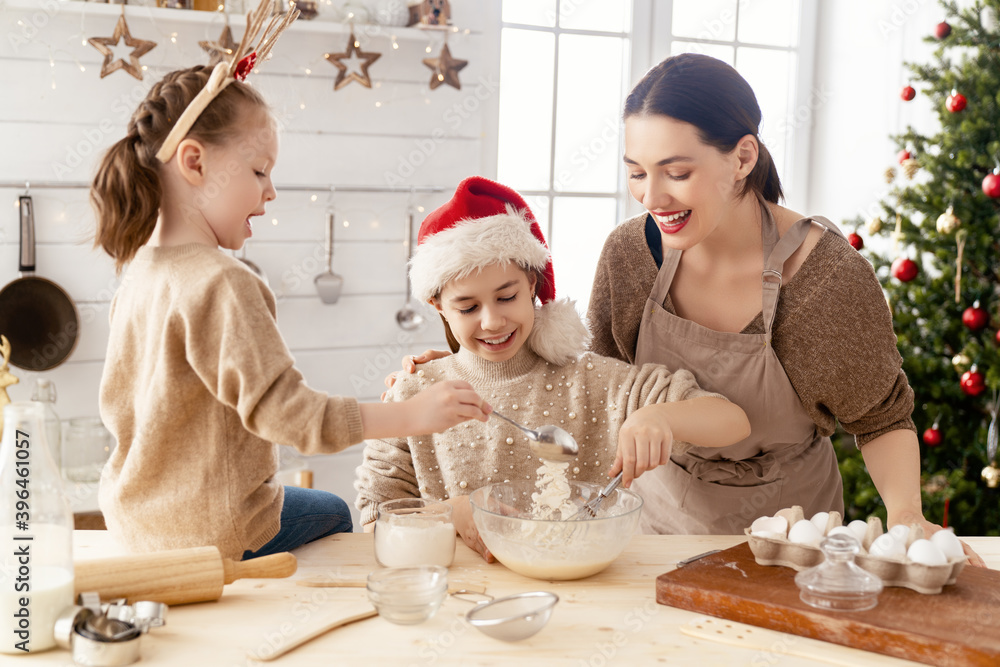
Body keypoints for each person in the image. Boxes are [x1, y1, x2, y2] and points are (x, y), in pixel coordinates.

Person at [393, 54, 984, 566]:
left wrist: (907, 514)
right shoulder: (632, 256)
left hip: (792, 533)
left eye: (677, 173)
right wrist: (462, 362)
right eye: (637, 174)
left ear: (743, 157)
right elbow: (592, 383)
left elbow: (880, 418)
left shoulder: (824, 280)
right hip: (653, 531)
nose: (653, 198)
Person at [91, 59, 490, 562]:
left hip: (136, 527)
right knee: (335, 512)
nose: (270, 191)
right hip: (209, 538)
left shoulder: (139, 271)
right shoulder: (223, 282)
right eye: (259, 171)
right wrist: (413, 414)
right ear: (194, 163)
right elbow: (292, 418)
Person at [355, 176, 750, 561]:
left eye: (506, 296)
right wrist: (451, 513)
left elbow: (732, 421)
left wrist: (659, 416)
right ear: (438, 305)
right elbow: (374, 523)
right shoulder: (412, 394)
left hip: (580, 593)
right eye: (468, 307)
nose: (492, 321)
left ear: (531, 284)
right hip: (453, 599)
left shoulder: (591, 381)